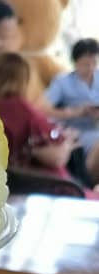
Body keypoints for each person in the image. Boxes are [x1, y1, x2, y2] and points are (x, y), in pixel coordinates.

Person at [0, 52, 98, 197]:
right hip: (48, 188)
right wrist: (66, 142)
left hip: (11, 185)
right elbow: (55, 157)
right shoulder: (21, 109)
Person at [41, 38, 99, 184]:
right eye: (86, 64)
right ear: (75, 62)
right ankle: (88, 183)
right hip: (74, 131)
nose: (91, 68)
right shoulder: (62, 82)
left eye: (94, 63)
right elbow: (42, 109)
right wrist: (73, 112)